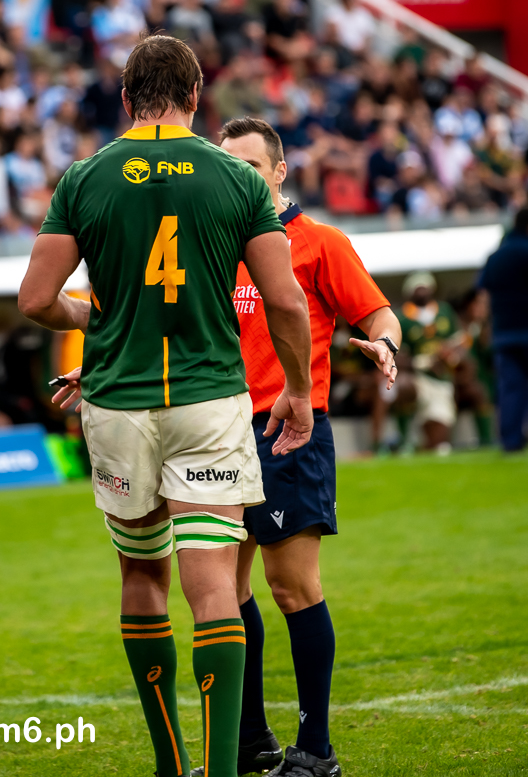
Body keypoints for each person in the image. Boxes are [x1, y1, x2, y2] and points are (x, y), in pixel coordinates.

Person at [19, 35, 314, 777]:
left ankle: (168, 762)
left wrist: (97, 321)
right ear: (195, 95)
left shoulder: (84, 178)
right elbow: (284, 300)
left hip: (119, 403)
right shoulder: (237, 178)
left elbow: (32, 301)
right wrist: (301, 391)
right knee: (214, 585)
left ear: (126, 98)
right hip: (210, 396)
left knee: (143, 578)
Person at [218, 117, 402, 777]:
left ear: (278, 172)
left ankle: (315, 750)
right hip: (215, 434)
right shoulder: (212, 243)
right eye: (224, 162)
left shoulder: (318, 242)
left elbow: (379, 313)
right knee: (220, 588)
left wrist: (385, 342)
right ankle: (248, 741)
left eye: (247, 164)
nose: (235, 174)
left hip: (288, 433)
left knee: (290, 587)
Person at [396, 271, 461, 452]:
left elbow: (458, 343)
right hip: (417, 376)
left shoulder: (444, 311)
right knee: (403, 387)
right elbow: (398, 356)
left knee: (439, 442)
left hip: (443, 376)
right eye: (418, 287)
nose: (422, 290)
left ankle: (423, 444)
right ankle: (404, 440)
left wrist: (449, 357)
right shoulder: (402, 317)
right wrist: (422, 363)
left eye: (425, 286)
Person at [480, 208, 528, 451]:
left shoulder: (496, 256)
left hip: (503, 332)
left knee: (511, 388)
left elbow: (484, 296)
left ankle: (510, 441)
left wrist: (488, 327)